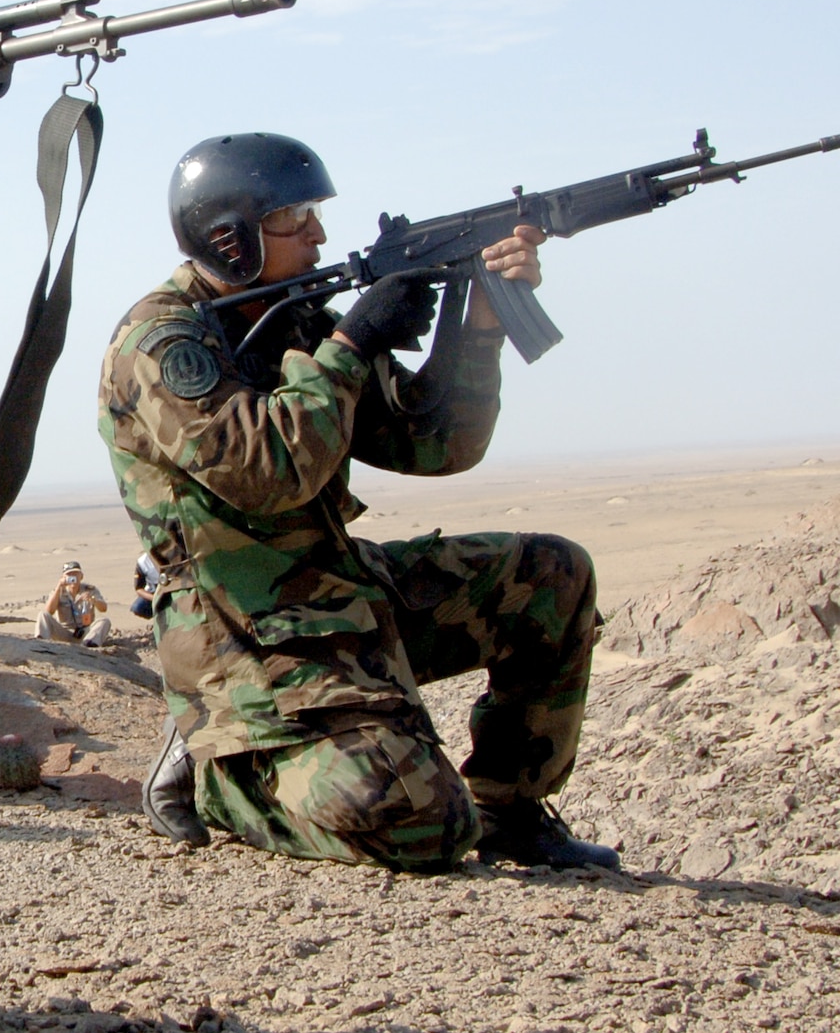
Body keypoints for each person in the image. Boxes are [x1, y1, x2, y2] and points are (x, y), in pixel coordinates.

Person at [99, 132, 617, 874]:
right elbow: (269, 469)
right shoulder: (162, 341)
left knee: (553, 576)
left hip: (338, 594)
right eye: (295, 216)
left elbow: (435, 445)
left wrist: (481, 322)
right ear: (231, 240)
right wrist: (350, 342)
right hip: (242, 632)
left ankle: (512, 808)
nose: (318, 233)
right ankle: (223, 777)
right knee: (421, 821)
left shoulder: (293, 317)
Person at [36, 561, 112, 647]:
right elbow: (49, 611)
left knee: (104, 621)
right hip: (64, 632)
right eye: (69, 574)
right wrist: (59, 587)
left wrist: (93, 600)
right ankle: (41, 643)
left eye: (76, 574)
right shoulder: (58, 591)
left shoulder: (90, 590)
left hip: (85, 632)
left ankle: (89, 644)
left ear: (81, 576)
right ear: (63, 577)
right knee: (42, 615)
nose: (73, 577)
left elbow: (103, 608)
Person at [132, 552, 162, 620]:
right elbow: (138, 588)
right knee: (138, 608)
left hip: (175, 588)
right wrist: (155, 598)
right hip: (155, 592)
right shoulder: (143, 562)